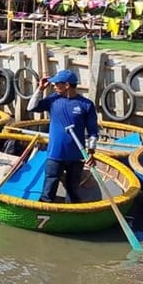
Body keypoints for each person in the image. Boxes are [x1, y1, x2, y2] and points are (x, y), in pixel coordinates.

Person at [27, 69, 98, 203]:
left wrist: (91, 153)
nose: (53, 86)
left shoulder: (86, 105)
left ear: (67, 86)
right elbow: (31, 107)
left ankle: (70, 216)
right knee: (48, 190)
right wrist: (40, 89)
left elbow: (93, 132)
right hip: (55, 154)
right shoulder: (53, 99)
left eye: (57, 84)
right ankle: (47, 213)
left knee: (73, 191)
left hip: (76, 156)